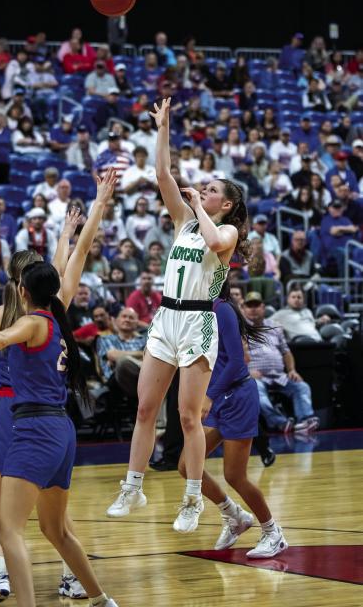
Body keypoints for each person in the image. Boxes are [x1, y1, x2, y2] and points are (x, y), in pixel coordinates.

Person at [0, 173, 119, 607]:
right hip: (61, 423)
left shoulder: (11, 320)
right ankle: (95, 594)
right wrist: (83, 220)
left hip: (21, 415)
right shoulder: (58, 312)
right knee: (55, 526)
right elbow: (76, 257)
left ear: (17, 285)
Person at [107, 97, 248, 535]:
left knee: (189, 417)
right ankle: (133, 486)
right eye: (203, 189)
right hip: (165, 319)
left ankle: (192, 500)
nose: (203, 191)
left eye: (212, 191)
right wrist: (162, 128)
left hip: (197, 321)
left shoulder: (224, 229)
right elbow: (162, 174)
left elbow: (214, 238)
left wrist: (199, 207)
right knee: (146, 407)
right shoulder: (183, 221)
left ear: (226, 204)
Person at [178, 282, 288, 558]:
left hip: (236, 397)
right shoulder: (199, 311)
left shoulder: (222, 309)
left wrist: (209, 396)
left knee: (234, 475)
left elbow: (238, 362)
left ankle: (273, 533)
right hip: (218, 398)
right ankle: (234, 515)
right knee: (185, 466)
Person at [242, 292, 319, 433]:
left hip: (279, 375)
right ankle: (281, 423)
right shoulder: (239, 328)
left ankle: (305, 421)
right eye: (249, 306)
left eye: (256, 305)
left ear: (263, 307)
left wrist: (292, 370)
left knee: (301, 386)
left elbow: (286, 351)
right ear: (243, 309)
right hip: (255, 377)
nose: (253, 309)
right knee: (255, 390)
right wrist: (246, 371)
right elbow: (234, 355)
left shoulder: (274, 326)